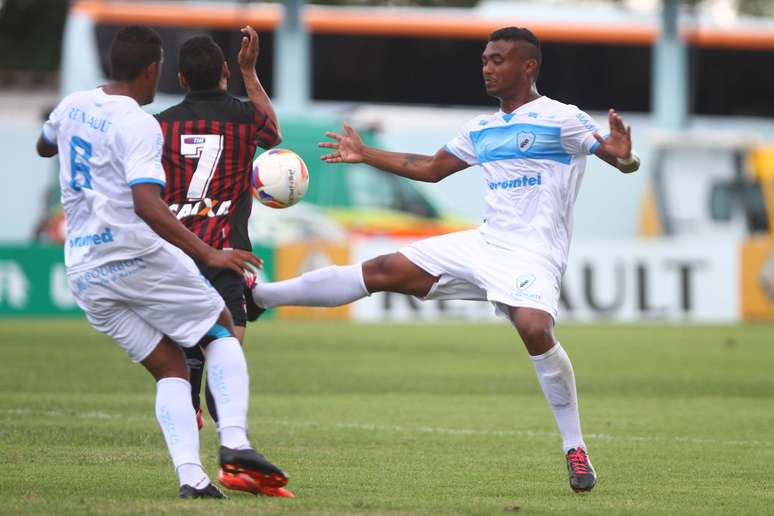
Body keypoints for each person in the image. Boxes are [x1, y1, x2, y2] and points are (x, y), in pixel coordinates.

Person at [249, 26, 641, 493]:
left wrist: (624, 156)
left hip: (533, 253)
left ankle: (574, 447)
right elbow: (431, 169)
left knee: (535, 328)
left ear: (529, 66)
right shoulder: (480, 128)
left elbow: (615, 156)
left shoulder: (562, 119)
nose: (488, 68)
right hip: (483, 243)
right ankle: (260, 297)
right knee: (381, 270)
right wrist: (364, 153)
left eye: (498, 60)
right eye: (484, 60)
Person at [36, 25, 289, 499]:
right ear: (153, 69)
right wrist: (211, 252)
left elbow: (45, 144)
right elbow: (147, 205)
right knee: (219, 324)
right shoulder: (139, 123)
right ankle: (234, 443)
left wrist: (65, 147)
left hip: (87, 271)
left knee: (172, 366)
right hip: (137, 253)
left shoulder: (72, 105)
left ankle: (192, 479)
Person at [154, 27, 286, 497]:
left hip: (176, 255)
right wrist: (252, 72)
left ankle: (197, 450)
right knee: (226, 352)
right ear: (225, 71)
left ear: (182, 78)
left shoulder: (161, 124)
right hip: (226, 257)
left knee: (187, 358)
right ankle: (232, 457)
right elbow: (274, 134)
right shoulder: (246, 120)